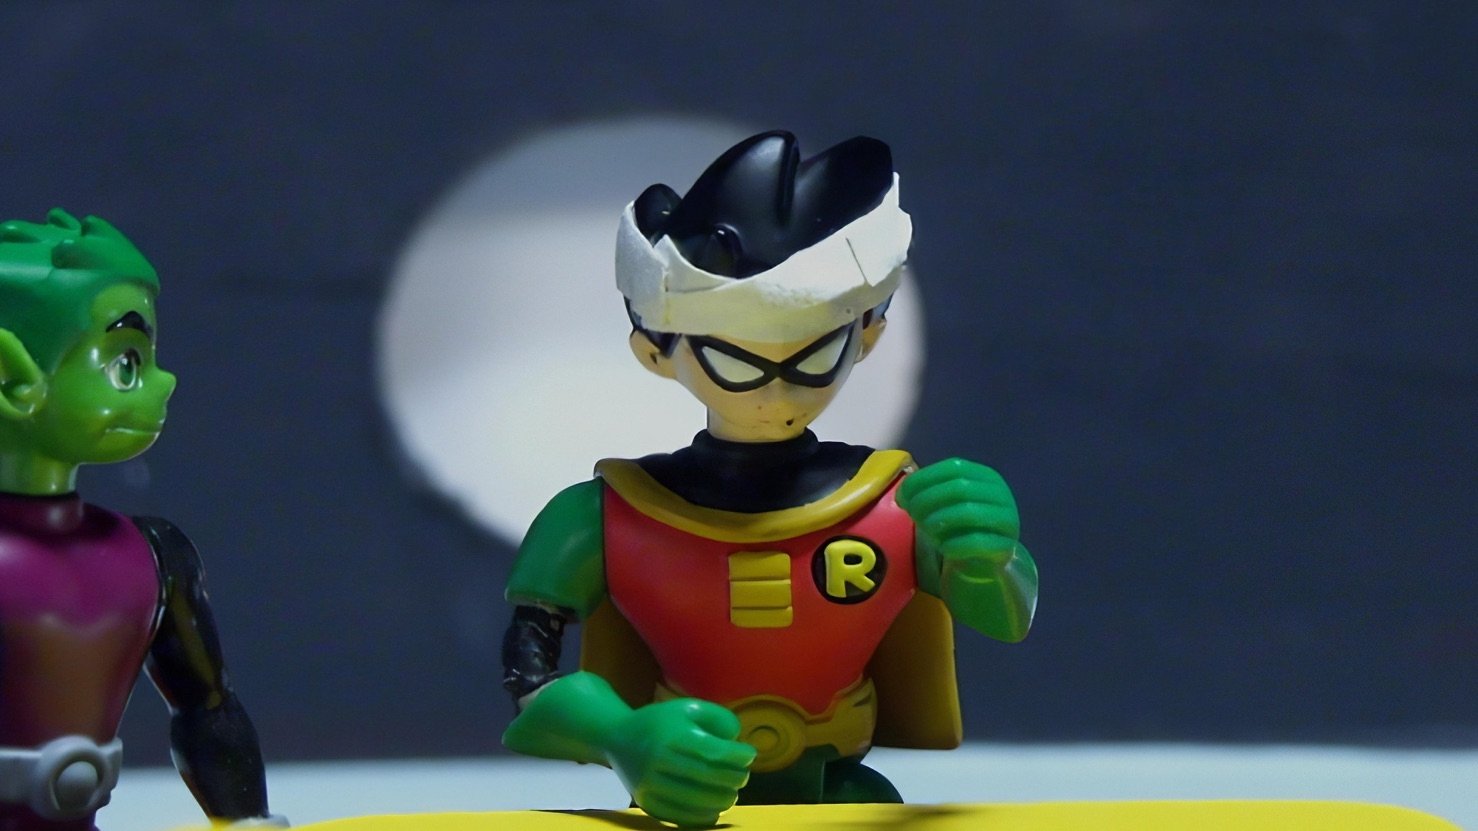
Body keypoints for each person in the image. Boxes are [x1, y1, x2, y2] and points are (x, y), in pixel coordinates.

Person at [500, 132, 1038, 828]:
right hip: (683, 793)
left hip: (842, 793)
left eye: (814, 357)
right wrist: (620, 738)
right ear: (656, 353)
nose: (775, 390)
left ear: (865, 339)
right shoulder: (605, 516)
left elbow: (1004, 616)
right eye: (734, 362)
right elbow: (528, 676)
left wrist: (991, 556)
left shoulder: (894, 504)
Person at [0, 210, 280, 830]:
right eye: (125, 362)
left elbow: (207, 710)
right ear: (10, 377)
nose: (165, 382)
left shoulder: (152, 555)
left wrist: (246, 821)